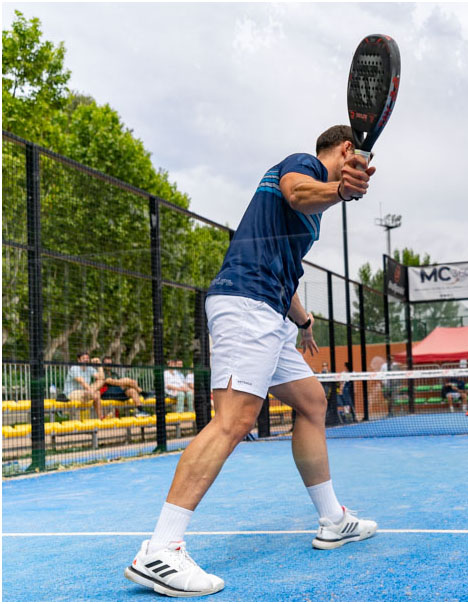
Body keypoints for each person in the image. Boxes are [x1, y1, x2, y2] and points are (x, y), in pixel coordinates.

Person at [125, 125, 378, 597]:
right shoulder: (302, 165)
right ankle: (160, 550)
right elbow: (298, 192)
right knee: (234, 421)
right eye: (357, 157)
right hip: (247, 304)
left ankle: (332, 520)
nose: (360, 165)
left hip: (272, 312)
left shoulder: (311, 214)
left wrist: (303, 321)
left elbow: (285, 269)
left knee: (312, 403)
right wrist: (341, 191)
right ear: (346, 149)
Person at [64, 352, 104, 419]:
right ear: (78, 360)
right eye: (83, 358)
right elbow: (82, 382)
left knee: (101, 382)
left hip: (85, 392)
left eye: (87, 358)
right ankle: (100, 417)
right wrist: (92, 392)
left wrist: (99, 363)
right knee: (96, 394)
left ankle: (101, 417)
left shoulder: (89, 368)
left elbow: (102, 377)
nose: (86, 360)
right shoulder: (74, 368)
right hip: (71, 393)